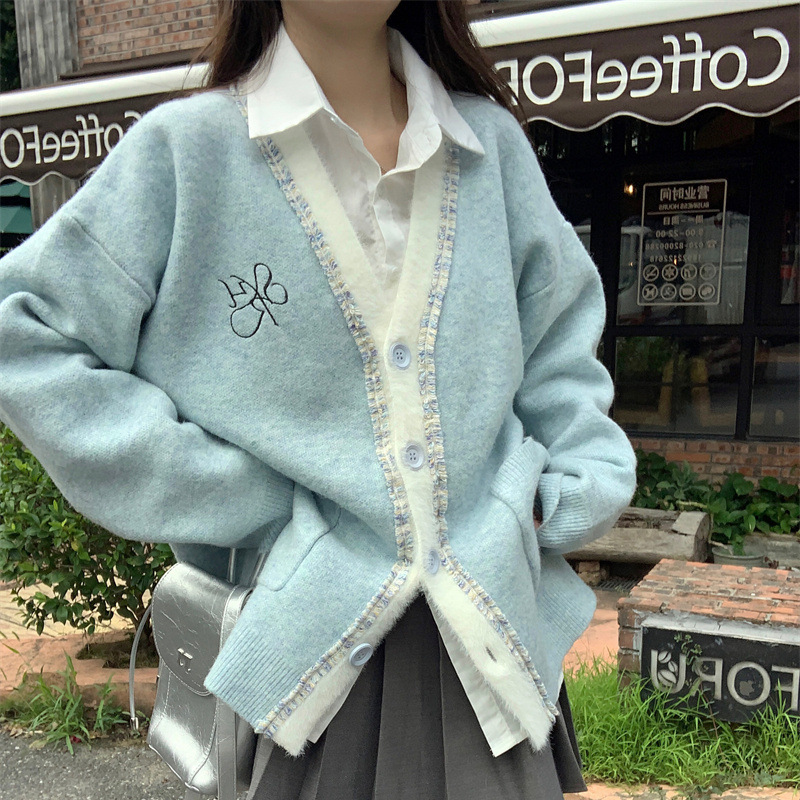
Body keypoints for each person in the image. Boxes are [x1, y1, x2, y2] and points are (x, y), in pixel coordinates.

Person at [0, 1, 637, 798]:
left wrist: (564, 490)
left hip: (495, 655)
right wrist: (244, 501)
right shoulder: (188, 155)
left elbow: (558, 353)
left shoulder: (490, 150)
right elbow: (23, 336)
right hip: (308, 672)